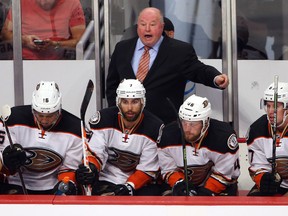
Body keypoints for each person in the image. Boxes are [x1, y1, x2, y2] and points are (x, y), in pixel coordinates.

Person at [106, 7, 229, 125]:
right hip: (126, 125)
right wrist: (115, 113)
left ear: (161, 27)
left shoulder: (179, 51)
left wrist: (216, 78)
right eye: (143, 24)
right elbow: (112, 85)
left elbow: (199, 70)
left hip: (163, 126)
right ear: (138, 27)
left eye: (153, 24)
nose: (147, 29)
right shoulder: (122, 48)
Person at [76, 79, 164, 196]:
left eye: (135, 102)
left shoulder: (153, 127)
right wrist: (91, 168)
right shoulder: (103, 120)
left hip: (137, 185)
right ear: (118, 102)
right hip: (106, 179)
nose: (130, 108)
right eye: (125, 102)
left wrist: (130, 186)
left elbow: (147, 168)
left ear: (143, 102)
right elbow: (96, 153)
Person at [0, 81, 83, 195]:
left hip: (52, 186)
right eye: (40, 115)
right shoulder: (11, 119)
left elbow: (69, 168)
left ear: (59, 110)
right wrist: (6, 160)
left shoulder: (76, 129)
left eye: (50, 115)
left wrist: (66, 183)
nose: (44, 120)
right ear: (33, 109)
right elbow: (3, 165)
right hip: (16, 182)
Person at [158, 94, 240, 196]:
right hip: (184, 184)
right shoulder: (167, 135)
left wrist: (205, 192)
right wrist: (179, 183)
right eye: (184, 123)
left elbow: (224, 174)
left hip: (220, 186)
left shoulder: (223, 137)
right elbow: (168, 169)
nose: (187, 129)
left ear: (205, 123)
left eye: (193, 124)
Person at [1, 0, 86, 60]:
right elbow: (5, 34)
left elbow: (81, 41)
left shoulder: (72, 3)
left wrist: (55, 44)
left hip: (60, 62)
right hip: (24, 62)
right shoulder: (21, 2)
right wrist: (24, 40)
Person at [246, 81, 288, 196]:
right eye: (268, 106)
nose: (270, 111)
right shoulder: (257, 129)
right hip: (280, 185)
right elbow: (259, 165)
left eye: (275, 106)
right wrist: (263, 178)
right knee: (254, 202)